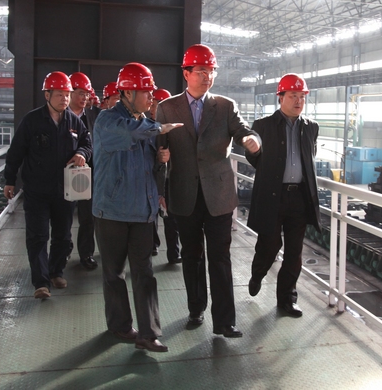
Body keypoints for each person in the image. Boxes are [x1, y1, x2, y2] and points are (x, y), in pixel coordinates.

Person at [156, 44, 261, 338]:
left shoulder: (225, 106)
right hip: (184, 194)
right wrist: (160, 162)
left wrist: (253, 140)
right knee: (191, 256)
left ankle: (225, 321)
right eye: (201, 71)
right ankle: (196, 308)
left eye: (211, 71)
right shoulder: (167, 108)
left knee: (220, 257)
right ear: (186, 73)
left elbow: (243, 130)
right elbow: (157, 146)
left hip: (219, 195)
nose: (207, 76)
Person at [93, 62, 183, 353]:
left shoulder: (145, 123)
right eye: (145, 92)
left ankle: (148, 333)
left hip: (143, 212)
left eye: (150, 92)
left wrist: (160, 159)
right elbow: (129, 133)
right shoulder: (108, 120)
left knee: (145, 274)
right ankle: (120, 325)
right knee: (114, 273)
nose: (150, 97)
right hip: (112, 211)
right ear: (127, 93)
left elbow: (148, 164)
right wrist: (159, 128)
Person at [3, 71, 92, 299]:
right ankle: (41, 282)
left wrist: (82, 153)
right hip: (37, 191)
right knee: (38, 236)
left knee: (63, 236)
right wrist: (9, 180)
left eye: (67, 94)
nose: (64, 98)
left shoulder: (74, 122)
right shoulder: (32, 121)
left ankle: (56, 272)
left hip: (65, 191)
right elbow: (16, 151)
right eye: (59, 94)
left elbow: (87, 143)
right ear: (47, 95)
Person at [246, 74, 321, 317]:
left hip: (299, 197)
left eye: (302, 97)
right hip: (273, 196)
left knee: (294, 252)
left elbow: (309, 158)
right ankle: (258, 273)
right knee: (269, 245)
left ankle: (287, 299)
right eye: (293, 96)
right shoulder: (263, 126)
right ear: (280, 97)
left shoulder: (311, 127)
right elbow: (253, 159)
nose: (298, 101)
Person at [68, 72, 100, 270]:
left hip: (89, 173)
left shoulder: (94, 116)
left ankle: (86, 254)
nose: (84, 97)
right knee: (63, 217)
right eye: (80, 93)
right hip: (64, 175)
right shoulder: (59, 115)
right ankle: (63, 252)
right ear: (69, 93)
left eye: (87, 94)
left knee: (87, 217)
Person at [148, 88, 181, 263]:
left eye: (158, 105)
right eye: (153, 105)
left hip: (168, 180)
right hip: (149, 178)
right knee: (150, 215)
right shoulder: (145, 127)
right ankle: (152, 245)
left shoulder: (174, 128)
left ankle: (173, 253)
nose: (154, 109)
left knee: (170, 218)